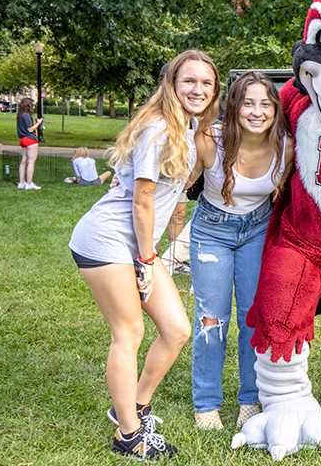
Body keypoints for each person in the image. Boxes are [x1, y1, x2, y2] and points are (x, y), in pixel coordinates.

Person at [68, 49, 219, 460]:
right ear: (171, 84)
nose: (198, 89)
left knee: (176, 330)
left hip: (138, 244)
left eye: (206, 83)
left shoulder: (188, 128)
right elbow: (142, 201)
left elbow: (170, 195)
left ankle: (133, 407)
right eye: (189, 81)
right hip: (108, 240)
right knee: (130, 332)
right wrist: (147, 261)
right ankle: (128, 437)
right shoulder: (159, 128)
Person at [188, 71, 293, 430]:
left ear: (275, 109)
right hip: (211, 231)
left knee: (253, 317)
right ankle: (206, 403)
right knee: (212, 318)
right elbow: (176, 185)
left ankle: (250, 398)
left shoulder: (286, 147)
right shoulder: (209, 141)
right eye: (248, 102)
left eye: (265, 103)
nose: (257, 111)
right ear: (234, 107)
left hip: (257, 231)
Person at [17, 97, 43, 190]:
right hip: (30, 139)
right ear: (28, 105)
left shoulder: (20, 115)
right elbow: (30, 129)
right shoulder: (26, 115)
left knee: (23, 161)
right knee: (31, 162)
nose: (34, 107)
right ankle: (29, 183)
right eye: (33, 105)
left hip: (22, 139)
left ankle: (21, 182)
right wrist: (38, 123)